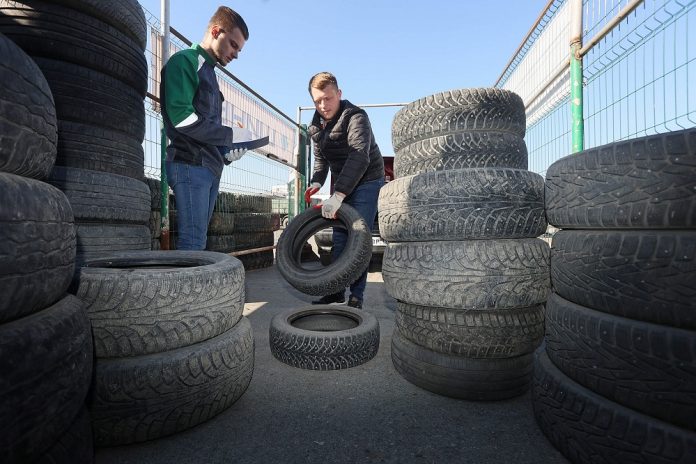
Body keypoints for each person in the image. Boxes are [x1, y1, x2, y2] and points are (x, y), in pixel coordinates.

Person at [160, 6, 252, 250]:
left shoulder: (210, 74)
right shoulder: (184, 62)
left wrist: (227, 152)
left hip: (209, 167)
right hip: (189, 164)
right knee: (192, 242)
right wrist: (229, 135)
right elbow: (182, 119)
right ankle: (182, 290)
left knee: (198, 242)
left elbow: (206, 129)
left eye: (239, 49)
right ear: (215, 31)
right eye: (233, 45)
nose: (236, 54)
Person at [304, 72, 385, 309]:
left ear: (339, 94)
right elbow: (321, 161)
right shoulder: (315, 126)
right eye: (317, 101)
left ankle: (357, 295)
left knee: (358, 236)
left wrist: (338, 195)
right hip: (343, 181)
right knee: (340, 237)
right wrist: (316, 182)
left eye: (328, 98)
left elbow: (359, 157)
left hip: (368, 178)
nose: (323, 105)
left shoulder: (357, 117)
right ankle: (335, 290)